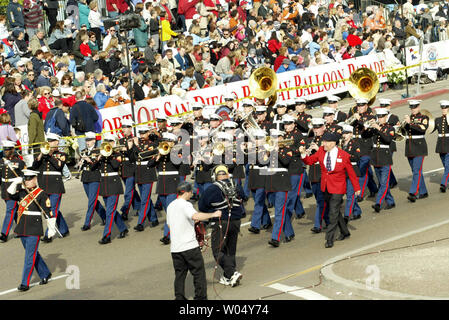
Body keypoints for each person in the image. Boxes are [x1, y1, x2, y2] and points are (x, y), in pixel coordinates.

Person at [300, 131, 361, 248]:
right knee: (335, 211)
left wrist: (357, 188)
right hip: (326, 187)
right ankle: (345, 231)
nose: (323, 144)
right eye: (323, 141)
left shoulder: (343, 155)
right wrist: (303, 154)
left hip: (338, 188)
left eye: (326, 142)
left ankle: (329, 238)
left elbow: (351, 173)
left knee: (332, 212)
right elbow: (310, 161)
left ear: (333, 143)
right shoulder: (321, 152)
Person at [167, 181, 221, 300]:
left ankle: (179, 297)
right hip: (189, 247)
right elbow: (195, 216)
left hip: (176, 248)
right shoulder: (186, 205)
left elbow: (171, 225)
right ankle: (200, 298)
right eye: (191, 192)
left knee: (180, 274)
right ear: (186, 192)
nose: (192, 194)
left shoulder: (171, 205)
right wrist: (213, 214)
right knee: (199, 273)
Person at [7, 169, 56, 291]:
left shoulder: (41, 194)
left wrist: (51, 228)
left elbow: (48, 212)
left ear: (35, 179)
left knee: (29, 256)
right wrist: (15, 183)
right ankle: (45, 273)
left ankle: (25, 283)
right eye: (25, 179)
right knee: (33, 254)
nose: (27, 181)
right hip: (22, 228)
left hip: (34, 229)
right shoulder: (22, 192)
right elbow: (10, 194)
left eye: (29, 179)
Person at [198, 165, 244, 286]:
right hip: (236, 221)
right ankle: (228, 277)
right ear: (227, 175)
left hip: (221, 222)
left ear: (215, 176)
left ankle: (232, 273)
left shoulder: (212, 188)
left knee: (217, 251)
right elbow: (244, 197)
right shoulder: (235, 184)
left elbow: (202, 206)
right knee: (230, 250)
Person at [90, 133, 129, 244]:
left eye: (109, 141)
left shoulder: (117, 154)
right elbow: (92, 168)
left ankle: (106, 235)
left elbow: (116, 166)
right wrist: (98, 159)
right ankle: (122, 228)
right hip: (104, 185)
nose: (107, 143)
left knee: (109, 212)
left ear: (113, 143)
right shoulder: (101, 154)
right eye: (106, 141)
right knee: (110, 210)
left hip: (113, 185)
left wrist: (109, 156)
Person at [31, 132, 70, 242]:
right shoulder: (43, 154)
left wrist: (49, 155)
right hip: (44, 185)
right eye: (49, 141)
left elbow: (59, 166)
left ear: (57, 142)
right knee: (48, 209)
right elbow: (34, 166)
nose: (50, 143)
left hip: (56, 186)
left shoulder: (61, 154)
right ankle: (64, 228)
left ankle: (49, 234)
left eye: (52, 141)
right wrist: (40, 155)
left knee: (52, 209)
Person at [79, 132, 106, 230]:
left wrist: (89, 160)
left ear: (94, 140)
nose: (87, 142)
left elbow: (97, 165)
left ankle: (87, 223)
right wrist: (80, 163)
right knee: (93, 200)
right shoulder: (83, 151)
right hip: (85, 177)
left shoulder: (99, 151)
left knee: (91, 201)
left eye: (89, 140)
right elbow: (82, 165)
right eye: (86, 140)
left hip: (94, 177)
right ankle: (104, 216)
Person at [404, 100, 429, 202]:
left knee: (416, 171)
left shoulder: (424, 118)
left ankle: (413, 192)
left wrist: (410, 123)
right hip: (409, 148)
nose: (413, 109)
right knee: (416, 171)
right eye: (411, 107)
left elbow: (422, 129)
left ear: (418, 107)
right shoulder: (409, 119)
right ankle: (423, 191)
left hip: (419, 148)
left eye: (414, 107)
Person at [0, 140, 25, 242]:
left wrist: (20, 185)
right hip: (4, 188)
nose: (5, 151)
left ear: (12, 150)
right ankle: (21, 229)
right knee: (15, 211)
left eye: (8, 150)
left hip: (14, 189)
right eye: (4, 149)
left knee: (10, 211)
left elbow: (24, 175)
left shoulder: (19, 162)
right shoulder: (1, 161)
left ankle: (4, 234)